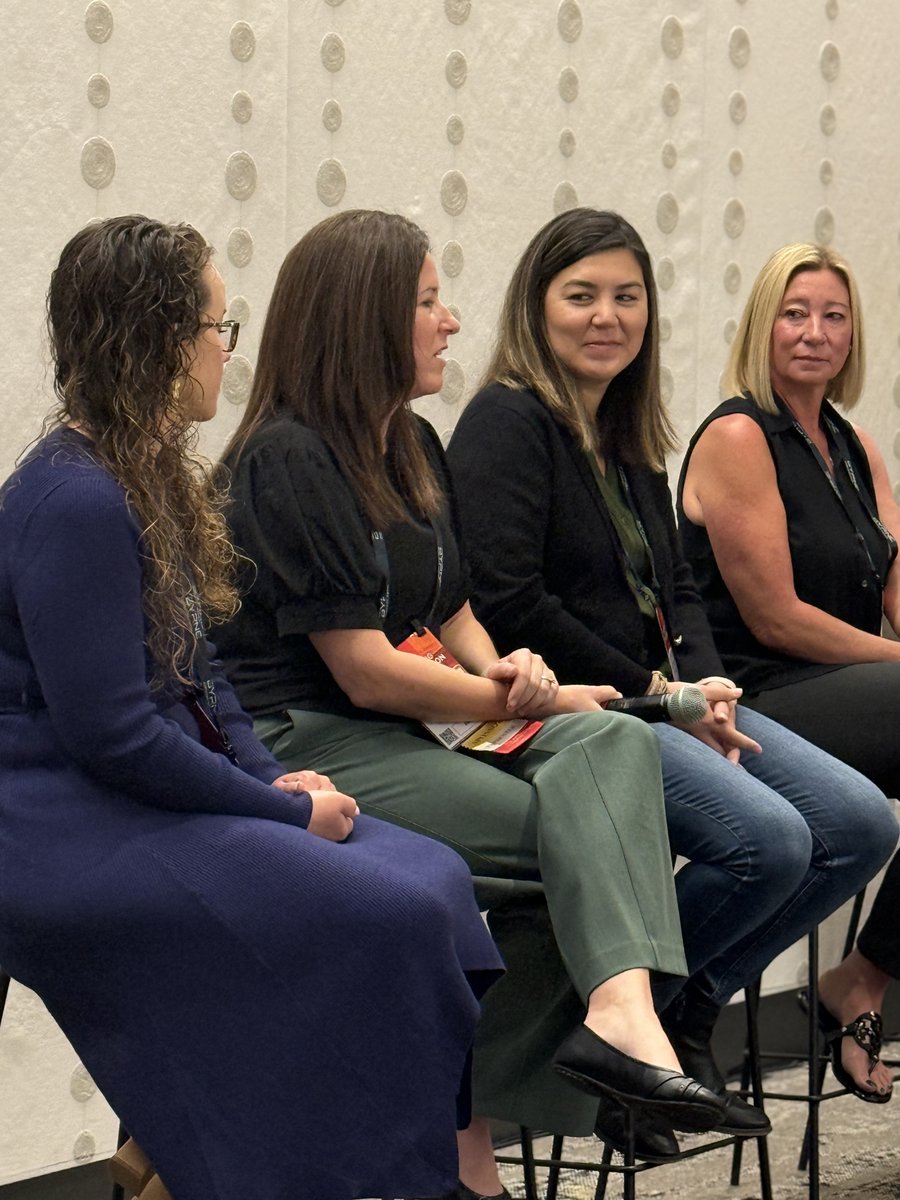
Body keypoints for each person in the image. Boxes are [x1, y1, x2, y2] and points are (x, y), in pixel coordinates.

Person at [216, 207, 726, 1196]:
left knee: (610, 743)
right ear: (364, 319)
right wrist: (492, 691)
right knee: (583, 843)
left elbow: (452, 611)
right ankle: (488, 1123)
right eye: (428, 301)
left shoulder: (407, 438)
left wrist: (522, 683)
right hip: (312, 735)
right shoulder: (287, 458)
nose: (451, 322)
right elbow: (363, 669)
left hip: (407, 720)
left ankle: (608, 1031)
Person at [0, 214, 505, 1200]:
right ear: (157, 338)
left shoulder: (137, 474)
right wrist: (277, 813)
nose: (226, 355)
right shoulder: (73, 500)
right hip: (61, 826)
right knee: (387, 914)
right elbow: (113, 738)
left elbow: (206, 678)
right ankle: (371, 1176)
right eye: (218, 329)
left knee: (436, 878)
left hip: (134, 798)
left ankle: (291, 1161)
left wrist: (280, 779)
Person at [444, 208, 898, 1151]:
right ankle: (650, 1042)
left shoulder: (625, 429)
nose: (606, 317)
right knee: (769, 842)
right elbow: (512, 604)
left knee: (859, 824)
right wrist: (666, 694)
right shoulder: (506, 421)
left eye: (627, 297)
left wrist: (704, 686)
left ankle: (667, 1019)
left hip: (668, 702)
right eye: (581, 296)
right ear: (538, 307)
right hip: (573, 715)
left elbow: (679, 590)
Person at [678, 241, 900, 1104]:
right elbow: (775, 617)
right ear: (762, 327)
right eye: (794, 313)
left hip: (852, 690)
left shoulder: (854, 446)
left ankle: (864, 982)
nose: (814, 332)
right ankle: (841, 986)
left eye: (833, 316)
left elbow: (890, 583)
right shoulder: (739, 434)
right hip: (757, 695)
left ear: (854, 335)